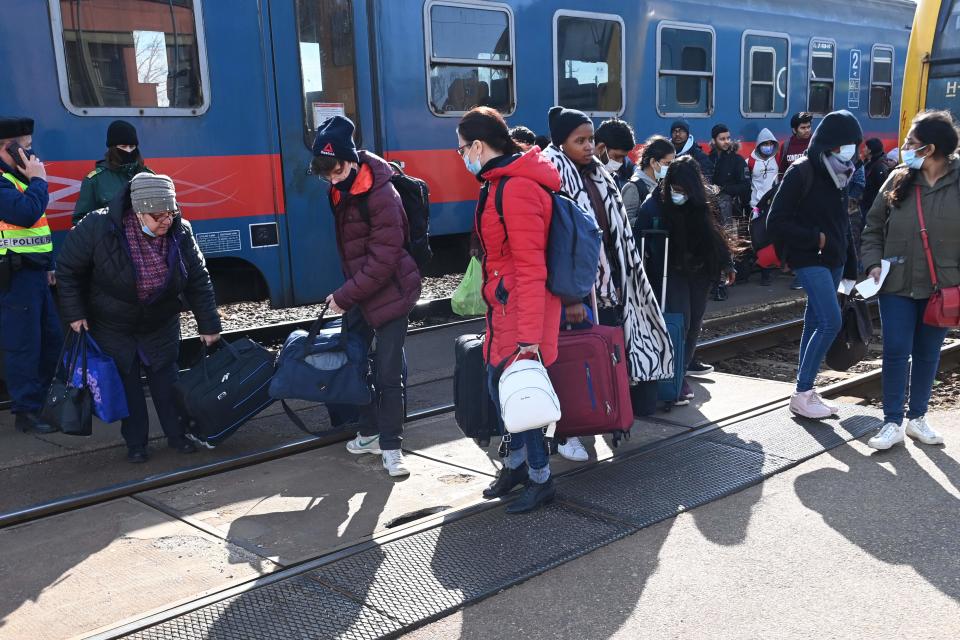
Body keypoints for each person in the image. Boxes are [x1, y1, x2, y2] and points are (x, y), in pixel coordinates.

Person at [56, 173, 221, 461]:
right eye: (157, 216)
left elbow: (198, 280)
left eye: (170, 214)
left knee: (167, 383)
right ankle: (136, 445)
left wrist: (208, 324)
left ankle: (178, 436)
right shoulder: (98, 226)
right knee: (128, 385)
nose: (166, 222)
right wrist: (75, 313)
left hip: (159, 322)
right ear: (138, 210)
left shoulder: (181, 232)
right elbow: (68, 270)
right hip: (114, 324)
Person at [544, 106, 674, 460]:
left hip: (610, 284)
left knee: (606, 355)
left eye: (590, 139)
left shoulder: (597, 173)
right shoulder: (551, 174)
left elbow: (615, 231)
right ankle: (566, 429)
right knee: (572, 361)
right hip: (577, 290)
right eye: (580, 140)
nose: (589, 146)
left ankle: (604, 415)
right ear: (561, 142)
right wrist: (571, 295)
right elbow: (559, 241)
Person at [457, 106, 562, 513]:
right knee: (500, 390)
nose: (462, 156)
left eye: (463, 149)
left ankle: (541, 479)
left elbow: (532, 268)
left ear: (479, 146)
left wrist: (529, 341)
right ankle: (515, 466)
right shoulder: (499, 183)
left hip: (521, 312)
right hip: (505, 308)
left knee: (523, 398)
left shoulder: (515, 188)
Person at [310, 115, 422, 478]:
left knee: (388, 373)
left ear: (351, 158)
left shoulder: (382, 193)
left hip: (392, 293)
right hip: (362, 291)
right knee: (356, 364)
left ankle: (392, 446)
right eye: (326, 174)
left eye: (337, 170)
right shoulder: (340, 189)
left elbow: (385, 259)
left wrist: (345, 295)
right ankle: (371, 431)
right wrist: (350, 292)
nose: (332, 179)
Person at [860, 110, 960, 450]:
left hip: (942, 286)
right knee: (896, 349)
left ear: (930, 149)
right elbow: (872, 226)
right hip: (897, 281)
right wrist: (872, 263)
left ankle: (918, 418)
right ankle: (892, 421)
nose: (903, 147)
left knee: (929, 352)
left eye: (911, 143)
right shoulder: (898, 179)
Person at [767, 110, 862, 420]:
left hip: (834, 260)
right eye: (847, 144)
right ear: (831, 144)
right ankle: (803, 391)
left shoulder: (843, 172)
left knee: (815, 321)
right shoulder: (801, 172)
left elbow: (842, 223)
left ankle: (805, 391)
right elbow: (776, 221)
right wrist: (814, 238)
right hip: (808, 259)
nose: (852, 151)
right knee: (830, 322)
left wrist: (851, 267)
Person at [636, 156, 736, 403]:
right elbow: (638, 237)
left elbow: (716, 235)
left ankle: (678, 374)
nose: (679, 195)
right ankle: (671, 378)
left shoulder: (705, 202)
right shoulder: (653, 205)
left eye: (684, 191)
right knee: (678, 323)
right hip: (669, 272)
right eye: (675, 190)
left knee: (693, 325)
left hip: (699, 271)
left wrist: (727, 263)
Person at [0, 116, 63, 434]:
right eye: (25, 148)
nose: (32, 155)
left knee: (51, 340)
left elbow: (40, 228)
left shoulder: (17, 179)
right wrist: (39, 180)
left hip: (36, 273)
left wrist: (49, 264)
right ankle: (26, 411)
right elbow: (25, 215)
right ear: (7, 148)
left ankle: (45, 401)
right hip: (15, 277)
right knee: (24, 346)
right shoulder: (4, 181)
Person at [72, 120, 153, 225]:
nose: (128, 151)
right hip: (110, 239)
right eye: (123, 147)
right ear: (113, 148)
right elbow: (81, 221)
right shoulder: (95, 180)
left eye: (132, 147)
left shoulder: (149, 176)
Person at [748, 128, 781, 287]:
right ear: (759, 145)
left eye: (770, 144)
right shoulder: (750, 161)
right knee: (759, 238)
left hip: (773, 204)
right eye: (764, 144)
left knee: (770, 238)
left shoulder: (777, 158)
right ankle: (762, 268)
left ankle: (767, 271)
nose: (767, 146)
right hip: (756, 206)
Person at [622, 135, 674, 229]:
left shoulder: (661, 184)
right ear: (653, 162)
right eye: (667, 163)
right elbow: (626, 223)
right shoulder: (633, 187)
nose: (671, 168)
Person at [708, 124, 751, 225]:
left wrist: (722, 189)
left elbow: (746, 185)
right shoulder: (709, 159)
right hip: (711, 208)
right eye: (722, 139)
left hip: (733, 210)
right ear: (714, 141)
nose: (726, 141)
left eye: (728, 138)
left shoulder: (737, 160)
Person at [594, 119, 637, 190]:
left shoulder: (614, 179)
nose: (620, 163)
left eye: (623, 158)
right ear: (601, 148)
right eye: (617, 156)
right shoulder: (580, 178)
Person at [861, 138, 890, 218]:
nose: (863, 149)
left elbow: (883, 188)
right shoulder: (868, 162)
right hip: (866, 203)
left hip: (872, 205)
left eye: (865, 147)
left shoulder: (880, 166)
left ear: (870, 150)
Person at [778, 112, 814, 176]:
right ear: (794, 130)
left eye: (808, 127)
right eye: (803, 128)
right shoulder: (786, 146)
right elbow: (781, 171)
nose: (807, 130)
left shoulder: (815, 143)